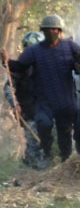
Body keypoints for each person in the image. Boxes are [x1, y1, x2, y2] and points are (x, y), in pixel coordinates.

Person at [13, 14, 80, 164]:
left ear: (59, 30)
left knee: (65, 133)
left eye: (54, 29)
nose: (51, 32)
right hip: (45, 101)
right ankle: (47, 152)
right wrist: (4, 60)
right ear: (43, 31)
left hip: (66, 99)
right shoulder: (33, 51)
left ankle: (66, 162)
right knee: (43, 124)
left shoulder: (71, 47)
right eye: (47, 30)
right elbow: (18, 66)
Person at [3, 32, 46, 169]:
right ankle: (33, 167)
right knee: (33, 140)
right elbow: (9, 89)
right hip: (28, 111)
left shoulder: (47, 66)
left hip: (47, 111)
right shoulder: (19, 68)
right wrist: (14, 103)